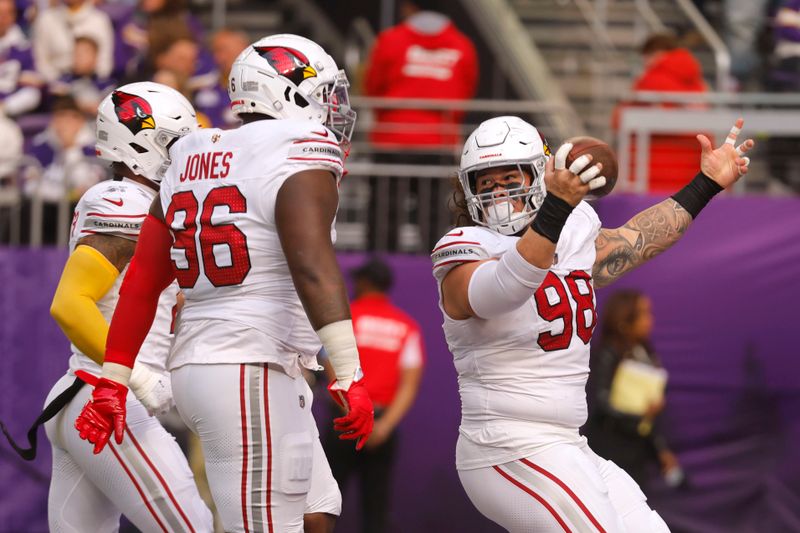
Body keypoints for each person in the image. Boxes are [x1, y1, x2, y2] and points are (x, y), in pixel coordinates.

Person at [73, 34, 373, 533]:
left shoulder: (192, 152)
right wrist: (349, 370)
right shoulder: (295, 149)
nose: (331, 108)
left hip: (226, 361)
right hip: (244, 364)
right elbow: (312, 264)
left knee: (316, 511)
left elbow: (144, 281)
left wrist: (113, 379)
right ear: (288, 92)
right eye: (323, 92)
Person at [431, 115, 753, 531]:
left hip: (568, 442)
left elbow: (637, 240)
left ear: (539, 173)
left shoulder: (571, 229)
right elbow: (504, 288)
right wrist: (556, 207)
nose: (498, 194)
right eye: (485, 183)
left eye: (510, 178)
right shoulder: (465, 248)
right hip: (506, 446)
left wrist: (705, 183)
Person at [37, 81, 212, 532]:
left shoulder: (147, 202)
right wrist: (136, 376)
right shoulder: (124, 202)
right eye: (174, 144)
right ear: (138, 144)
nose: (183, 156)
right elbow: (70, 305)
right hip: (108, 395)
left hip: (86, 393)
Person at [323, 256, 425, 533]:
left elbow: (331, 367)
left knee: (322, 503)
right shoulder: (406, 327)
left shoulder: (345, 320)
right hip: (381, 426)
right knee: (376, 509)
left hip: (343, 421)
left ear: (364, 282)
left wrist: (349, 412)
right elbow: (409, 384)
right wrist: (385, 426)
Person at [584, 290, 683, 489]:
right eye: (643, 313)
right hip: (610, 449)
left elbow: (648, 407)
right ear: (624, 320)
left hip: (637, 450)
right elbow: (601, 402)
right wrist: (637, 416)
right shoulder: (607, 354)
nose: (650, 320)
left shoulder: (646, 352)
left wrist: (660, 449)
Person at [612, 33, 708, 193]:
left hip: (653, 175)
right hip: (693, 173)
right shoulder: (697, 82)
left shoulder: (651, 80)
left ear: (654, 54)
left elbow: (619, 120)